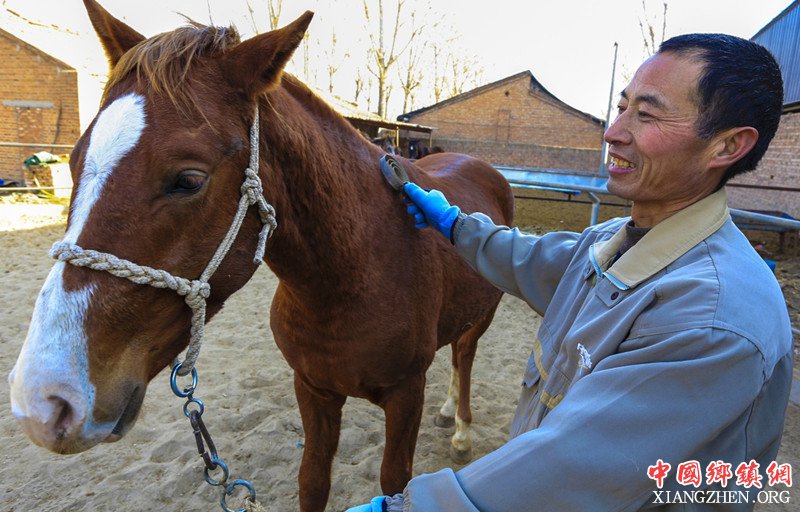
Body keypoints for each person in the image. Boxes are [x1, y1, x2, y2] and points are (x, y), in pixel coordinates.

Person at [348, 33, 793, 511]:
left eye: (646, 115)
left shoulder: (710, 319)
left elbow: (567, 470)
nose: (613, 132)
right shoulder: (614, 241)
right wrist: (456, 225)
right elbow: (533, 260)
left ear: (727, 145)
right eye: (622, 108)